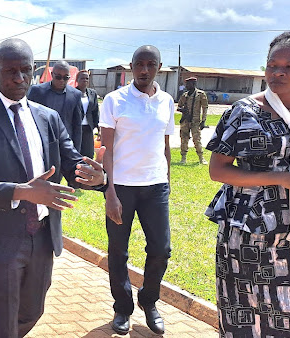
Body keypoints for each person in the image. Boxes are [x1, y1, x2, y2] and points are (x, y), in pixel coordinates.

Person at [0, 38, 107, 338]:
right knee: (3, 320)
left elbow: (71, 163)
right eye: (10, 71)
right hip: (0, 236)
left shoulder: (47, 117)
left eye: (25, 70)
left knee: (32, 310)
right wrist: (23, 191)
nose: (19, 78)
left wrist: (96, 178)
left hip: (41, 234)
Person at [206, 30, 290, 336]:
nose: (279, 72)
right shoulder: (244, 112)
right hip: (251, 232)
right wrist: (281, 179)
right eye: (273, 65)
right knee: (247, 313)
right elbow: (218, 170)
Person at [99, 45, 173, 335]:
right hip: (123, 188)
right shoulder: (115, 100)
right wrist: (110, 192)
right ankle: (122, 308)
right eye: (139, 64)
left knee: (161, 249)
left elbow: (165, 145)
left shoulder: (167, 101)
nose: (144, 70)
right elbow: (106, 151)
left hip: (156, 187)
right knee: (119, 250)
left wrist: (168, 180)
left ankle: (149, 300)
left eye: (150, 64)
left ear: (159, 67)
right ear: (131, 67)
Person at [27, 61, 84, 152]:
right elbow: (28, 118)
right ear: (52, 74)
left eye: (66, 78)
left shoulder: (75, 95)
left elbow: (77, 125)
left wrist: (76, 152)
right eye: (58, 77)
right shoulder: (37, 91)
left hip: (65, 145)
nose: (62, 80)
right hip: (42, 143)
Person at [177, 76, 209, 164]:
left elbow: (205, 108)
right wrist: (183, 110)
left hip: (195, 121)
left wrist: (203, 121)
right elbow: (179, 106)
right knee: (184, 139)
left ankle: (201, 158)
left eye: (188, 84)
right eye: (186, 84)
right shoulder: (185, 95)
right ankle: (183, 158)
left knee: (197, 140)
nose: (186, 85)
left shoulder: (200, 94)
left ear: (193, 84)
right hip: (185, 121)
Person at [75, 70, 100, 159]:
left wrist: (98, 127)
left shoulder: (92, 93)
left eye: (87, 78)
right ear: (77, 80)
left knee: (88, 153)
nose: (85, 80)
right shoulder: (72, 93)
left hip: (88, 128)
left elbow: (95, 111)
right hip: (76, 127)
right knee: (77, 152)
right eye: (82, 78)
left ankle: (86, 171)